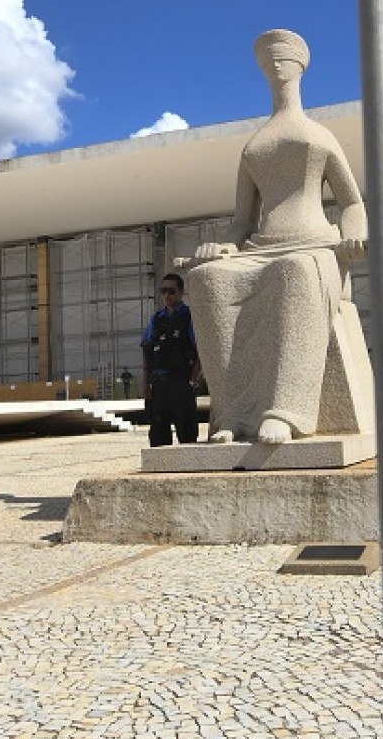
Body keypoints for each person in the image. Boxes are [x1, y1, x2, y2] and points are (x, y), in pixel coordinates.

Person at [181, 29, 368, 444]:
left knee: (294, 271)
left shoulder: (318, 136)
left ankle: (285, 411)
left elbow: (352, 203)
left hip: (318, 246)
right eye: (269, 62)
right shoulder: (254, 147)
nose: (276, 67)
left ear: (300, 67)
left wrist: (353, 237)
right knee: (206, 280)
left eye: (283, 60)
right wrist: (224, 246)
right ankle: (230, 412)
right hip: (261, 247)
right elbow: (242, 220)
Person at [140, 272, 200, 446]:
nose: (167, 295)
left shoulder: (190, 317)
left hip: (181, 383)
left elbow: (200, 352)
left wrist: (192, 382)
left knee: (187, 434)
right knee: (158, 436)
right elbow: (147, 351)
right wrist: (146, 384)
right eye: (163, 291)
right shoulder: (156, 320)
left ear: (181, 293)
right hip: (159, 385)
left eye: (171, 291)